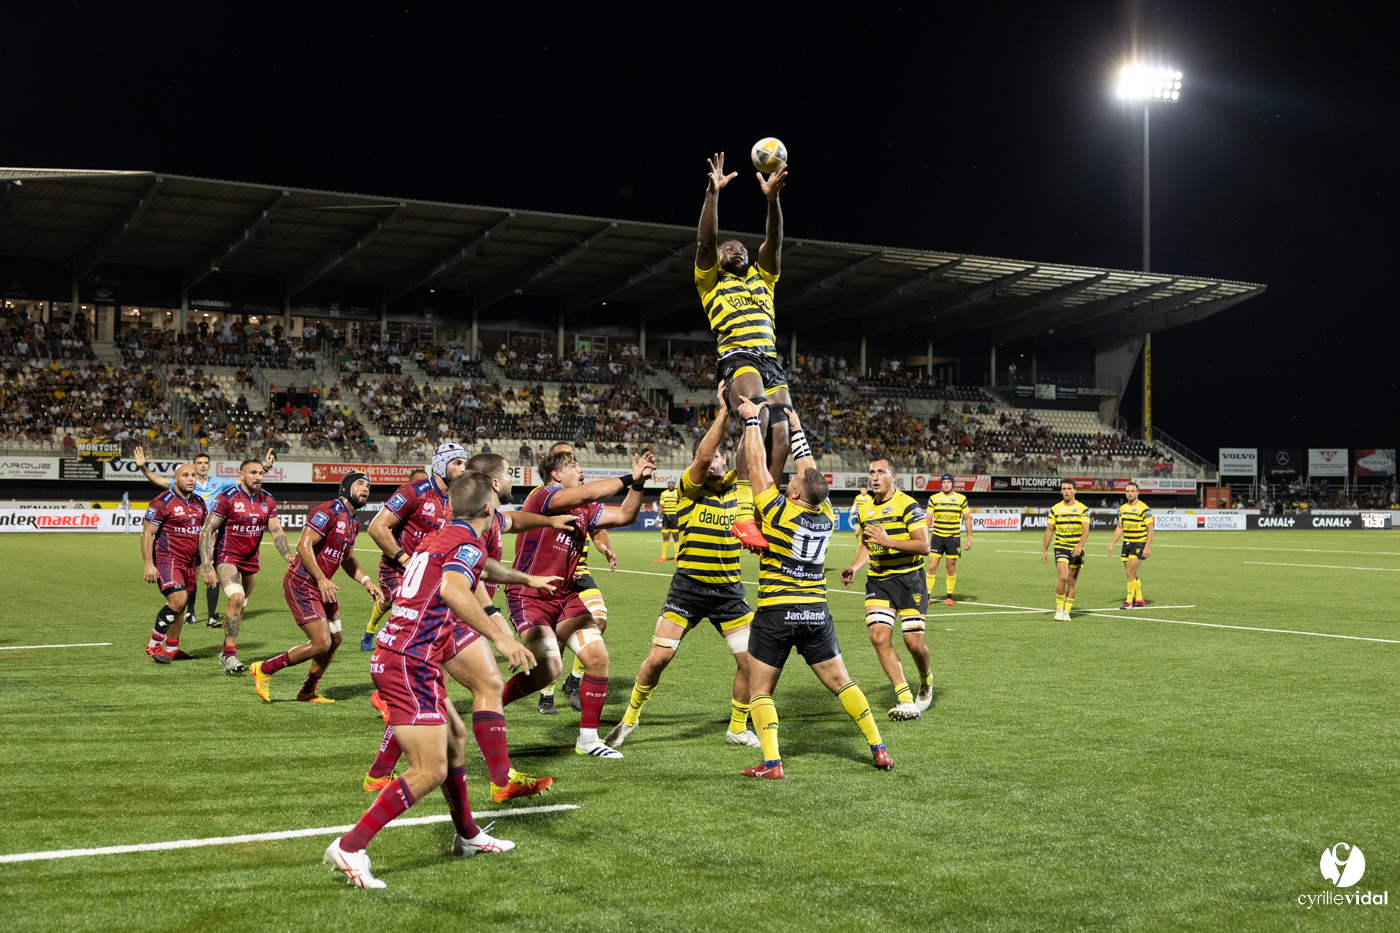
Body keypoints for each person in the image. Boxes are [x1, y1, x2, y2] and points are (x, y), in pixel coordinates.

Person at [325, 472, 536, 889]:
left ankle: (468, 835)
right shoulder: (467, 542)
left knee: (455, 739)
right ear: (489, 509)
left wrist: (525, 579)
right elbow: (455, 590)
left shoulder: (441, 535)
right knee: (429, 769)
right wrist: (502, 638)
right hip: (409, 661)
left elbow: (481, 568)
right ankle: (350, 846)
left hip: (406, 654)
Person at [364, 452, 569, 803]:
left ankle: (380, 774)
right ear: (493, 483)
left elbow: (510, 525)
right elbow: (462, 578)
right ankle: (499, 781)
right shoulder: (470, 524)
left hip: (447, 612)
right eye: (507, 475)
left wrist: (547, 524)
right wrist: (493, 622)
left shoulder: (483, 515)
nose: (511, 480)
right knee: (469, 688)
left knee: (437, 697)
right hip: (449, 614)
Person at [737, 398, 893, 778]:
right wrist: (797, 428)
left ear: (792, 494)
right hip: (816, 613)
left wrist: (752, 423)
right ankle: (879, 748)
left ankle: (772, 763)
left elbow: (756, 466)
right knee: (843, 683)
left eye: (789, 481)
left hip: (777, 613)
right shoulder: (824, 514)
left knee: (760, 691)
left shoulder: (776, 511)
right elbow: (810, 474)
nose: (788, 478)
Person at [606, 387, 759, 750]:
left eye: (722, 455)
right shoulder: (688, 487)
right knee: (659, 658)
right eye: (713, 455)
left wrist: (749, 419)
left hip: (728, 591)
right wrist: (722, 413)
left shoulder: (736, 489)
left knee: (751, 662)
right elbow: (705, 458)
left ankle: (737, 727)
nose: (718, 458)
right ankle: (630, 719)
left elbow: (745, 458)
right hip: (688, 587)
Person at [500, 448, 655, 758]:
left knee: (597, 657)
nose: (581, 469)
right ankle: (490, 703)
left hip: (566, 596)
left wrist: (637, 486)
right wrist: (629, 476)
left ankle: (587, 740)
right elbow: (587, 491)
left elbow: (625, 515)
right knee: (547, 670)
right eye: (574, 466)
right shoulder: (543, 497)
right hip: (531, 596)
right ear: (557, 475)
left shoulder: (585, 509)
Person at [695, 152, 791, 553]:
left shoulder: (763, 278)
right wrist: (712, 195)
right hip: (738, 357)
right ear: (719, 260)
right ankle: (741, 512)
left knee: (783, 434)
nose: (738, 249)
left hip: (770, 359)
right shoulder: (710, 282)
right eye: (730, 248)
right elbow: (707, 239)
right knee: (759, 412)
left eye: (742, 248)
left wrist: (772, 201)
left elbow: (775, 240)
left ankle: (767, 507)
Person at [252, 473, 382, 702]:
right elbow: (303, 545)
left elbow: (348, 559)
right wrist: (322, 579)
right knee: (322, 643)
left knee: (336, 639)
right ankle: (264, 668)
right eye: (360, 484)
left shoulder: (353, 522)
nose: (365, 489)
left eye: (368, 486)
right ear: (345, 489)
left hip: (324, 587)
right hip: (303, 583)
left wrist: (366, 581)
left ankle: (307, 690)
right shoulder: (328, 510)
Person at [133, 445, 275, 628]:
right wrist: (143, 467)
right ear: (193, 465)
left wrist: (266, 468)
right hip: (186, 538)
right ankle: (190, 612)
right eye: (199, 463)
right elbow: (157, 480)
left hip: (209, 536)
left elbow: (247, 480)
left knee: (212, 575)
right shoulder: (182, 482)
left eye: (205, 463)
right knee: (194, 578)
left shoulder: (219, 482)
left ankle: (211, 615)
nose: (202, 466)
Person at [840, 458, 933, 721]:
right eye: (871, 472)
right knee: (879, 637)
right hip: (878, 580)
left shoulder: (908, 505)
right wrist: (856, 567)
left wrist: (888, 541)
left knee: (914, 644)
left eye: (881, 472)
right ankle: (905, 698)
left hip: (909, 579)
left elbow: (923, 546)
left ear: (893, 477)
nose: (875, 477)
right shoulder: (865, 507)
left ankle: (925, 680)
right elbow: (867, 545)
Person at [532, 441, 618, 716]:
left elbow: (597, 527)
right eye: (567, 461)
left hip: (579, 573)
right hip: (551, 576)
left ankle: (575, 679)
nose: (576, 466)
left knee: (599, 619)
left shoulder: (584, 498)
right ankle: (546, 693)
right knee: (557, 636)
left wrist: (603, 546)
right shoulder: (542, 495)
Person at [363, 451, 467, 651]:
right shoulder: (412, 491)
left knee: (437, 622)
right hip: (398, 570)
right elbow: (376, 527)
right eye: (457, 463)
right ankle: (384, 651)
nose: (463, 468)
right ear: (441, 465)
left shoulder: (459, 499)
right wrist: (406, 560)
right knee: (413, 616)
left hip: (428, 573)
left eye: (465, 463)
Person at [199, 459, 294, 674]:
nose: (258, 476)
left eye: (260, 473)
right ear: (241, 475)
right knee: (236, 598)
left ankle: (225, 652)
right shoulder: (227, 498)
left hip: (251, 561)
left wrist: (288, 556)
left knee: (240, 606)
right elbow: (207, 530)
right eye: (252, 472)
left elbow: (276, 530)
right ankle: (231, 656)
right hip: (227, 557)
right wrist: (207, 565)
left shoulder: (268, 499)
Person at [140, 463, 207, 664]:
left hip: (188, 562)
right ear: (175, 479)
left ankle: (172, 648)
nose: (190, 479)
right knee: (177, 600)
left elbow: (203, 535)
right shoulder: (162, 502)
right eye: (185, 475)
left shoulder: (199, 504)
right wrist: (148, 564)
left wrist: (206, 561)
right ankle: (153, 645)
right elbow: (147, 534)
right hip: (166, 559)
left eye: (193, 475)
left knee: (181, 604)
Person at [1042, 479, 1089, 621]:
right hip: (1061, 547)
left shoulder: (1083, 509)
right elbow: (1049, 531)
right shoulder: (1055, 509)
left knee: (1072, 581)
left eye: (1069, 488)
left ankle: (1066, 612)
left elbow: (1085, 530)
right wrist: (1044, 549)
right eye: (1063, 489)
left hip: (1076, 549)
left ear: (1075, 490)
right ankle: (1059, 609)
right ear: (1061, 491)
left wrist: (1080, 545)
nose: (1066, 491)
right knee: (1063, 577)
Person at [925, 474, 972, 606]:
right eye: (944, 482)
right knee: (932, 567)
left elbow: (967, 518)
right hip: (937, 538)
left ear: (952, 484)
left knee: (950, 568)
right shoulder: (934, 498)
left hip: (953, 539)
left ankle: (949, 597)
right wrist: (923, 536)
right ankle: (927, 597)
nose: (946, 484)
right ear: (941, 484)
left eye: (948, 482)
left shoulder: (961, 499)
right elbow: (928, 519)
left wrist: (969, 537)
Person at [1107, 481, 1154, 608]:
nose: (1130, 493)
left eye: (1132, 491)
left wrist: (1147, 547)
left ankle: (1129, 601)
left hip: (1139, 543)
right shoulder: (1123, 508)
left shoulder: (1144, 508)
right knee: (1131, 572)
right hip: (1126, 543)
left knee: (1130, 571)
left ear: (1138, 493)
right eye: (1127, 491)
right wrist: (1112, 543)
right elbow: (1120, 527)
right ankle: (1139, 599)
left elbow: (1150, 529)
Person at [655, 478, 680, 562]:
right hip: (666, 517)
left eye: (672, 483)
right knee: (665, 536)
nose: (671, 484)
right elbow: (661, 507)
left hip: (675, 517)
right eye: (669, 483)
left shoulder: (678, 493)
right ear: (667, 484)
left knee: (676, 536)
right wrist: (658, 518)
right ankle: (663, 557)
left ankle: (677, 556)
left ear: (675, 484)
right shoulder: (663, 494)